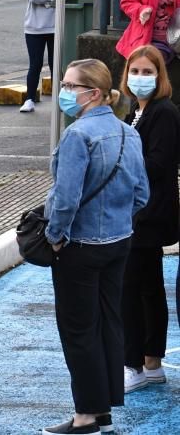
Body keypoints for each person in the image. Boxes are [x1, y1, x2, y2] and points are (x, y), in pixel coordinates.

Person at [42, 58, 149, 435]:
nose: (64, 92)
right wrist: (119, 221)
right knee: (109, 323)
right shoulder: (127, 132)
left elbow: (66, 199)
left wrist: (55, 237)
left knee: (78, 329)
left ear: (92, 93)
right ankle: (103, 409)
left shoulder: (77, 135)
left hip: (80, 246)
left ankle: (86, 414)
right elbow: (141, 194)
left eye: (70, 86)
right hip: (119, 242)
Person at [119, 46, 180, 393]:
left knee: (132, 289)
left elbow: (159, 163)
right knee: (148, 288)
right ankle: (150, 361)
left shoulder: (164, 113)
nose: (140, 78)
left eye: (147, 71)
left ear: (160, 76)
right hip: (140, 212)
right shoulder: (135, 113)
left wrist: (121, 163)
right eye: (135, 71)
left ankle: (135, 364)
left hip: (149, 213)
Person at [21, 0, 69, 113]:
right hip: (34, 27)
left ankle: (61, 99)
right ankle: (29, 99)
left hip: (55, 26)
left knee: (56, 64)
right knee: (35, 64)